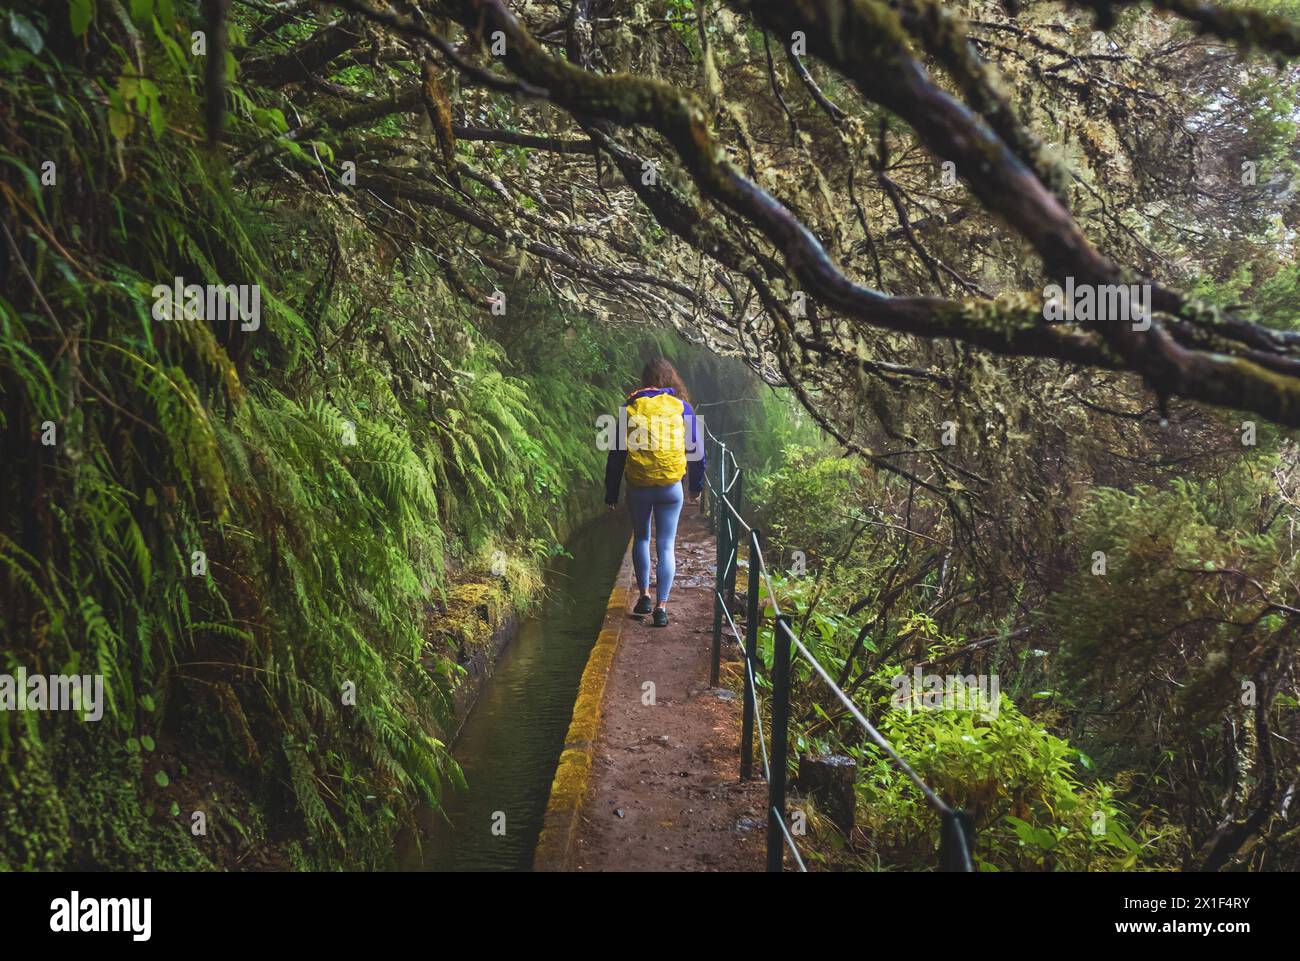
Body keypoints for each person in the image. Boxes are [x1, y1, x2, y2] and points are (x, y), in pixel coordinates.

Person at [604, 358, 706, 626]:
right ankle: (661, 609)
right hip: (671, 488)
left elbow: (616, 454)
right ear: (671, 379)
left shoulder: (631, 407)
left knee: (641, 538)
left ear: (644, 380)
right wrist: (696, 487)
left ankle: (644, 597)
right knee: (666, 545)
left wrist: (611, 493)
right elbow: (697, 450)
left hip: (639, 487)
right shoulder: (682, 407)